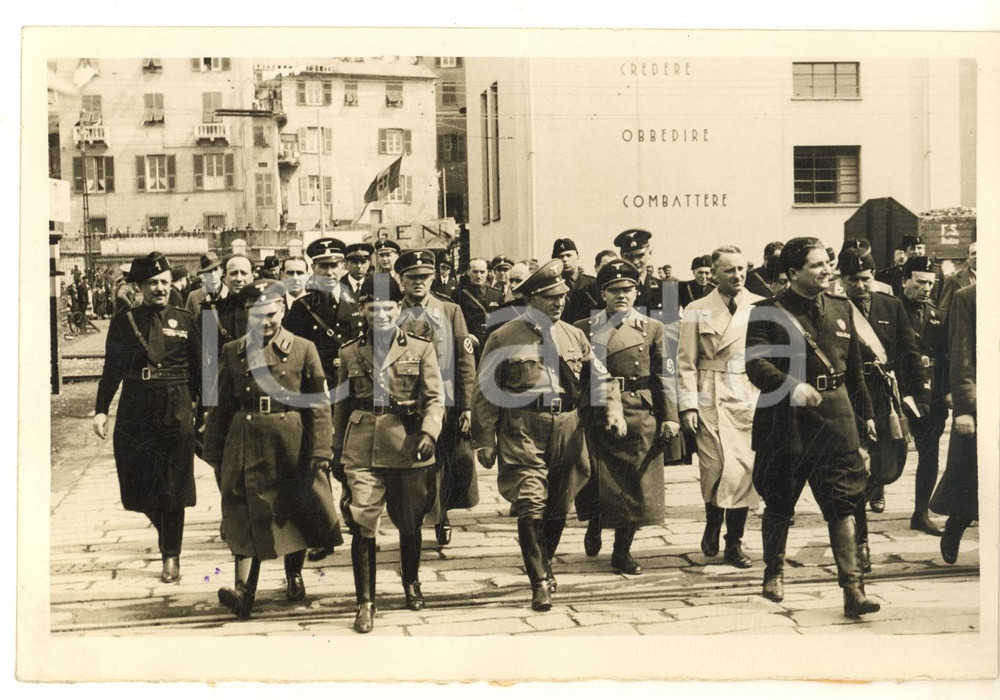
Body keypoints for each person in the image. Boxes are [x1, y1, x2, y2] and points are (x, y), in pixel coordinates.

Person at [472, 260, 625, 612]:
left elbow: (600, 378)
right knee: (530, 502)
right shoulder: (504, 336)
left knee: (559, 503)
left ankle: (546, 560)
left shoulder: (574, 335)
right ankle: (539, 581)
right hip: (523, 427)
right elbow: (485, 390)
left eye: (562, 296)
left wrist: (613, 411)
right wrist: (484, 439)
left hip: (567, 427)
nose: (559, 303)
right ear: (531, 299)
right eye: (550, 297)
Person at [745, 237, 879, 618]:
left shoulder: (841, 308)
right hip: (785, 422)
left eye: (827, 263)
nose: (827, 270)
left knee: (843, 504)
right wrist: (792, 387)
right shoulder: (766, 313)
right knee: (779, 501)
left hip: (836, 421)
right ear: (791, 274)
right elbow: (756, 365)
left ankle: (853, 590)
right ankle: (774, 572)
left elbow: (854, 370)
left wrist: (866, 415)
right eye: (817, 265)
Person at [204, 280, 342, 619]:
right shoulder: (233, 350)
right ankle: (242, 590)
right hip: (245, 440)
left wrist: (321, 451)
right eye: (257, 315)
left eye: (271, 314)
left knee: (290, 514)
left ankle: (293, 575)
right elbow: (220, 404)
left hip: (288, 441)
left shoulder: (303, 349)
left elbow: (319, 406)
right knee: (242, 512)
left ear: (282, 310)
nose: (265, 322)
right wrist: (214, 452)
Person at [332, 274, 445, 633]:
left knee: (409, 521)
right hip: (363, 444)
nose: (379, 314)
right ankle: (365, 603)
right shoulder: (350, 351)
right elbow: (340, 405)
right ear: (362, 310)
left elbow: (435, 397)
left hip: (407, 444)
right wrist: (336, 451)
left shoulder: (420, 347)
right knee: (363, 521)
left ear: (398, 309)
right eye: (372, 308)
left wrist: (429, 431)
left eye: (387, 308)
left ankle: (410, 581)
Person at [92, 252, 202, 584]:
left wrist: (206, 411)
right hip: (136, 407)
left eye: (165, 282)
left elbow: (200, 371)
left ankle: (171, 555)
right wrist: (100, 409)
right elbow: (111, 369)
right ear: (139, 286)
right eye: (153, 283)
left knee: (174, 485)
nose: (160, 288)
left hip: (176, 405)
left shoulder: (185, 320)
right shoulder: (124, 322)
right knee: (133, 478)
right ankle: (164, 528)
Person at [575, 259, 678, 573]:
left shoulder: (653, 327)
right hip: (596, 410)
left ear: (636, 293)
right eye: (614, 290)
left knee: (634, 484)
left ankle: (622, 550)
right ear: (602, 294)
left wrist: (670, 416)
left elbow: (666, 375)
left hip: (638, 411)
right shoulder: (584, 328)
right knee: (594, 478)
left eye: (628, 289)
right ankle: (595, 522)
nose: (622, 295)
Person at [837, 248, 928, 570]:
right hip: (849, 399)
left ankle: (872, 492)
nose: (861, 285)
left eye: (866, 279)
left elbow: (910, 352)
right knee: (855, 470)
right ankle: (860, 542)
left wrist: (919, 394)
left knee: (890, 465)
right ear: (842, 280)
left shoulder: (891, 305)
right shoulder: (834, 309)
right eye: (854, 280)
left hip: (886, 398)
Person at [677, 246, 763, 568]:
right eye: (729, 270)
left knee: (742, 470)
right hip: (708, 394)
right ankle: (713, 522)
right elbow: (685, 361)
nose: (737, 276)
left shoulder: (758, 306)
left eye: (741, 269)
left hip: (745, 393)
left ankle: (734, 542)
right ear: (714, 274)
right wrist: (687, 405)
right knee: (713, 468)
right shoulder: (697, 309)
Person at [283, 237, 364, 562]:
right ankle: (325, 528)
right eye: (322, 266)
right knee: (317, 462)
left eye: (334, 265)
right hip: (314, 394)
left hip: (351, 392)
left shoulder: (359, 303)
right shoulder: (301, 310)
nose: (329, 271)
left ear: (343, 267)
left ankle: (354, 513)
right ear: (313, 270)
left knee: (352, 459)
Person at [395, 249, 478, 547]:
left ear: (433, 278)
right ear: (401, 280)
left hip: (447, 400)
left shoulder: (450, 311)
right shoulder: (393, 315)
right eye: (412, 278)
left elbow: (465, 360)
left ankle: (443, 516)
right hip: (408, 402)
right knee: (416, 464)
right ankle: (418, 515)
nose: (419, 283)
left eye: (425, 277)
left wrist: (467, 405)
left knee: (450, 461)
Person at [899, 256, 949, 537]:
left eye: (930, 283)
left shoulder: (936, 316)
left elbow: (944, 356)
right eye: (920, 282)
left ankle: (921, 512)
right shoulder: (890, 310)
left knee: (929, 455)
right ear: (905, 281)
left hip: (930, 397)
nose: (926, 288)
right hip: (898, 393)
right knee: (887, 455)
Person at [930, 284, 977, 563]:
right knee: (969, 474)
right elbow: (962, 357)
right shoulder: (968, 297)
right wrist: (965, 408)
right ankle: (957, 523)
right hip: (983, 399)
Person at [456, 258, 504, 357]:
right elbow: (453, 322)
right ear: (468, 272)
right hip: (469, 347)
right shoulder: (458, 295)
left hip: (493, 346)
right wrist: (466, 335)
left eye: (482, 272)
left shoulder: (496, 295)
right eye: (475, 272)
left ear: (487, 272)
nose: (479, 276)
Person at [553, 238, 598, 324]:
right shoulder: (553, 287)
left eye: (568, 255)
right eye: (560, 256)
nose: (565, 259)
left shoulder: (593, 283)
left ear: (578, 256)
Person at [937, 242, 976, 319]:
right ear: (968, 258)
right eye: (973, 253)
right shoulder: (953, 279)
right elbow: (943, 311)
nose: (977, 256)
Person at [185, 252, 228, 316]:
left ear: (221, 271)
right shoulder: (194, 297)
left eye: (215, 269)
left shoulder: (229, 294)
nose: (213, 274)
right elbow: (187, 321)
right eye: (209, 271)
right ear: (204, 274)